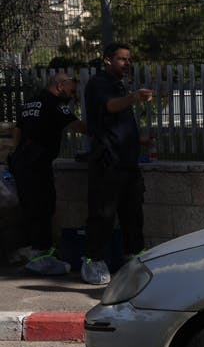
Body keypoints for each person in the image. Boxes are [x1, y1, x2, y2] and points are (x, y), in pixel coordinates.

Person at [81, 42, 155, 285]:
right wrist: (133, 97)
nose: (127, 63)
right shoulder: (99, 84)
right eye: (122, 59)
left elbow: (118, 124)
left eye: (128, 59)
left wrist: (139, 140)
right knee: (103, 213)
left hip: (127, 162)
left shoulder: (118, 85)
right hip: (107, 162)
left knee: (132, 213)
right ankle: (92, 259)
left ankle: (134, 258)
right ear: (107, 60)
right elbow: (109, 107)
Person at [8, 72, 86, 275]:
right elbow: (78, 126)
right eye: (71, 89)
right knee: (43, 206)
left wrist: (16, 155)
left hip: (23, 161)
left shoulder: (31, 102)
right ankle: (41, 257)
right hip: (37, 162)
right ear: (60, 86)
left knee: (31, 207)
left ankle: (36, 252)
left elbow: (18, 128)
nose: (73, 94)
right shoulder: (55, 104)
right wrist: (105, 131)